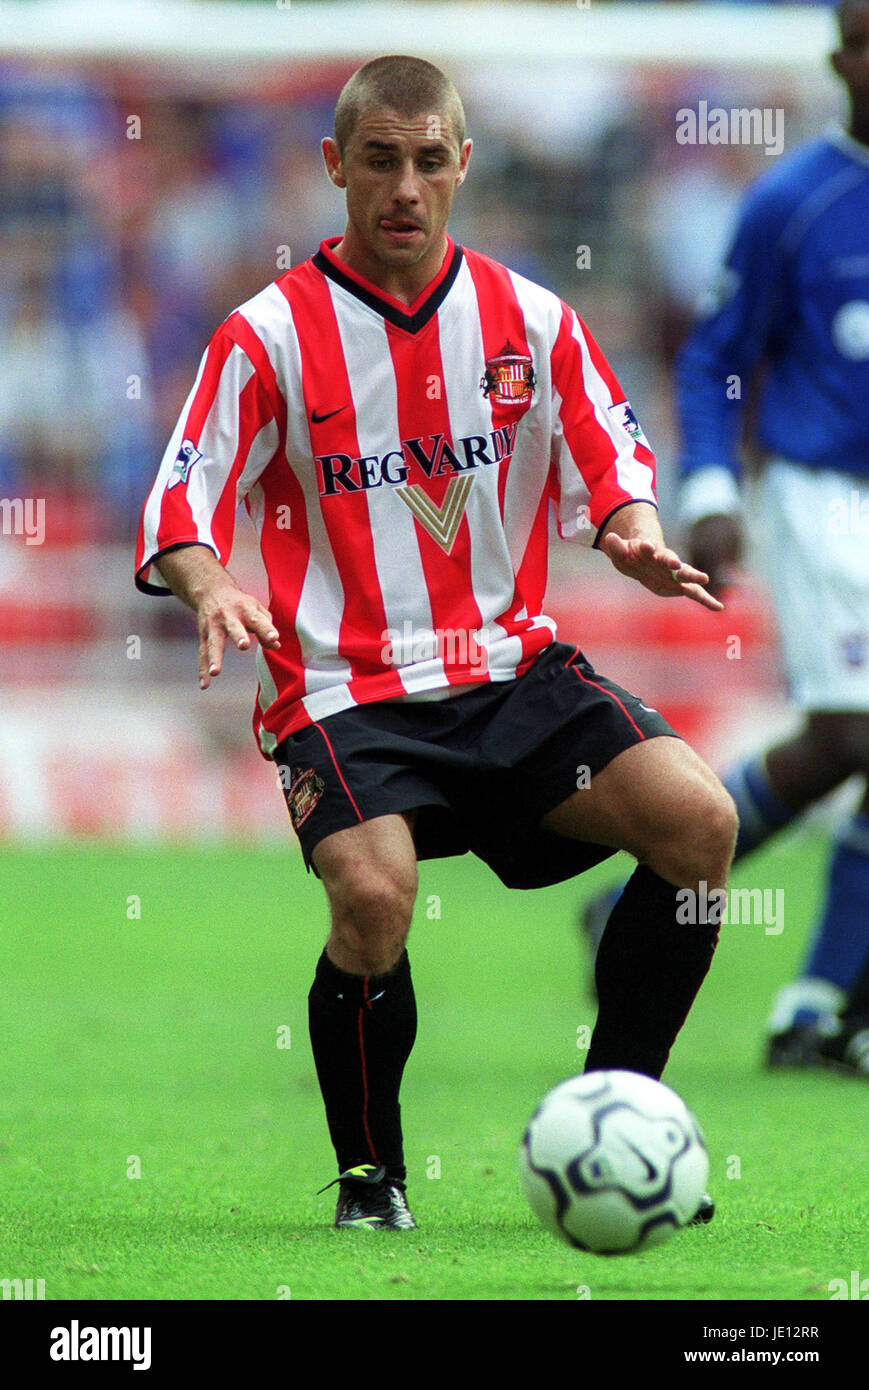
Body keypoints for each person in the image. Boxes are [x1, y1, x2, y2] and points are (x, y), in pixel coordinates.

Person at [135, 54, 736, 1230]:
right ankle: (371, 1180)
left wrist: (630, 531)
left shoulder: (529, 319)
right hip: (341, 690)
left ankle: (617, 1118)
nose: (403, 186)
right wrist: (208, 584)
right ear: (334, 167)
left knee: (699, 823)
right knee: (372, 893)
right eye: (378, 160)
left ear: (460, 164)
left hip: (509, 672)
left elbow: (612, 459)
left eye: (426, 160)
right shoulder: (267, 337)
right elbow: (180, 503)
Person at [583, 0, 869, 1078]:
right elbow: (713, 358)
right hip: (821, 497)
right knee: (850, 737)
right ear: (838, 58)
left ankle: (809, 1005)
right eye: (860, 37)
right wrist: (707, 486)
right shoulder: (792, 204)